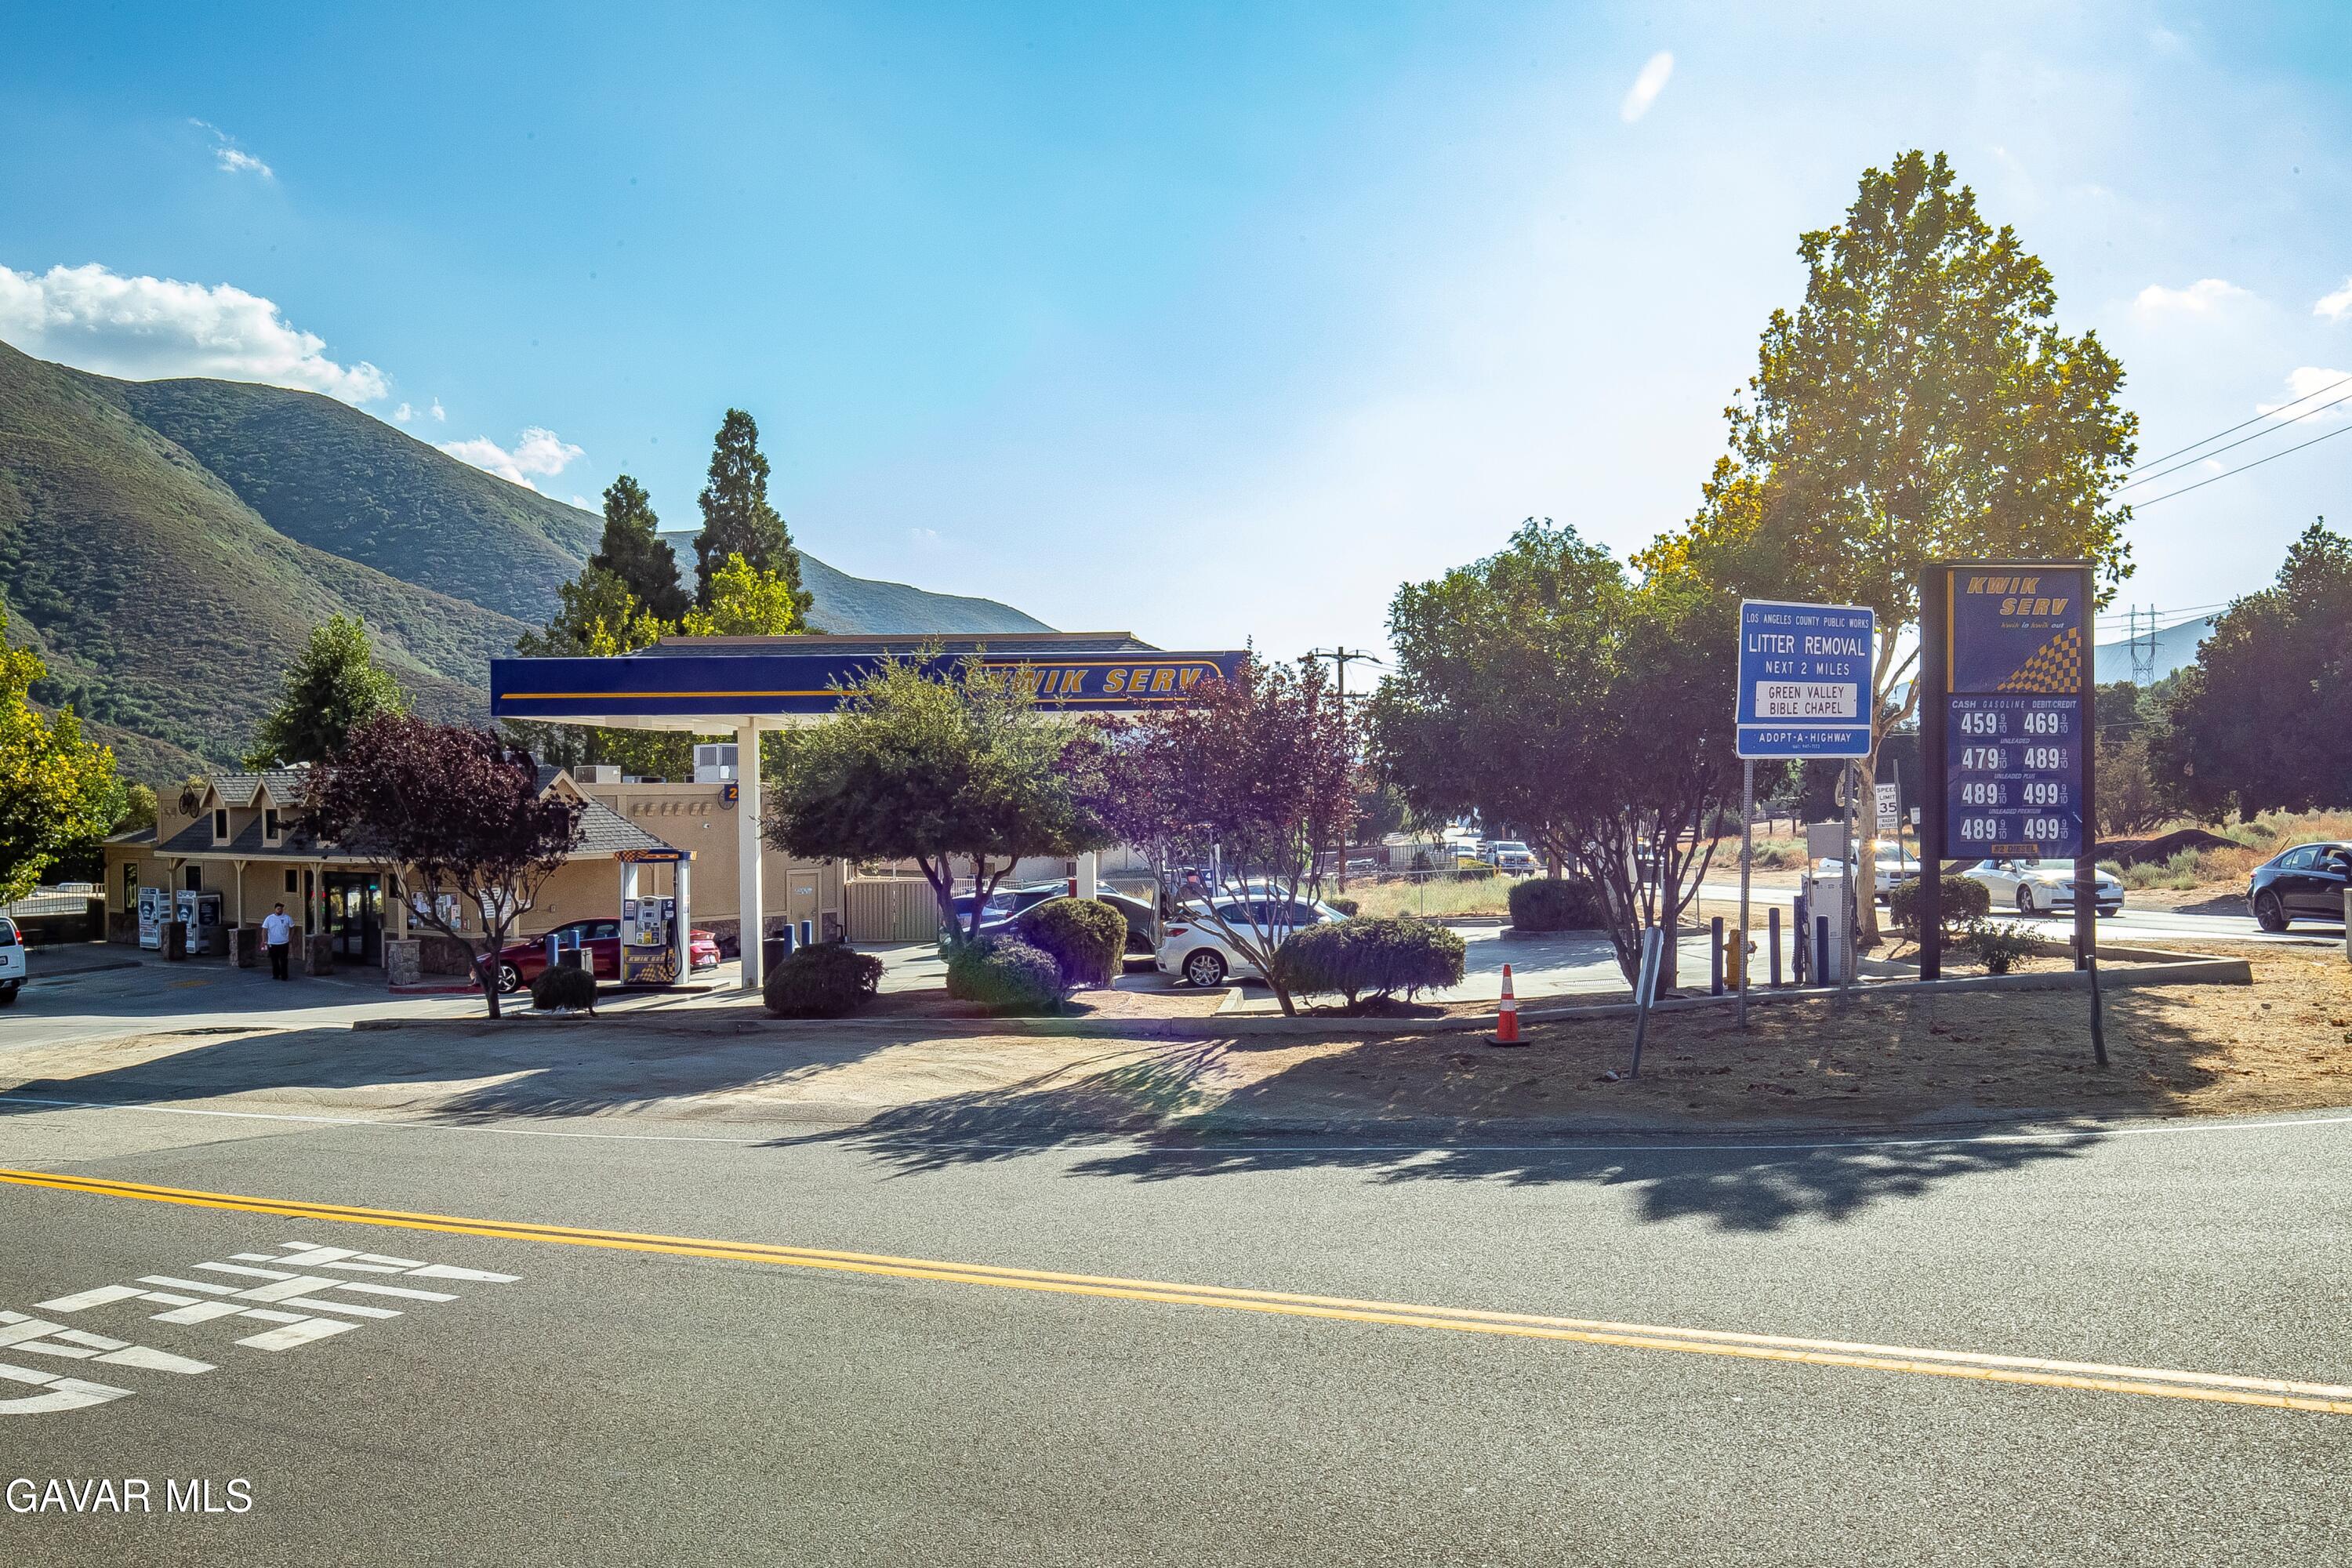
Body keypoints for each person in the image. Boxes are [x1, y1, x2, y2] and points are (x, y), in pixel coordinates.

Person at [261, 902, 294, 980]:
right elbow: (264, 930)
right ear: (275, 909)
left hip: (284, 943)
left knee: (284, 960)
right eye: (278, 909)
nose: (280, 910)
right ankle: (276, 974)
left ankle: (284, 976)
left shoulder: (287, 918)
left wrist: (291, 938)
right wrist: (263, 940)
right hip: (272, 943)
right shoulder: (269, 918)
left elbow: (292, 927)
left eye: (281, 909)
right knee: (274, 960)